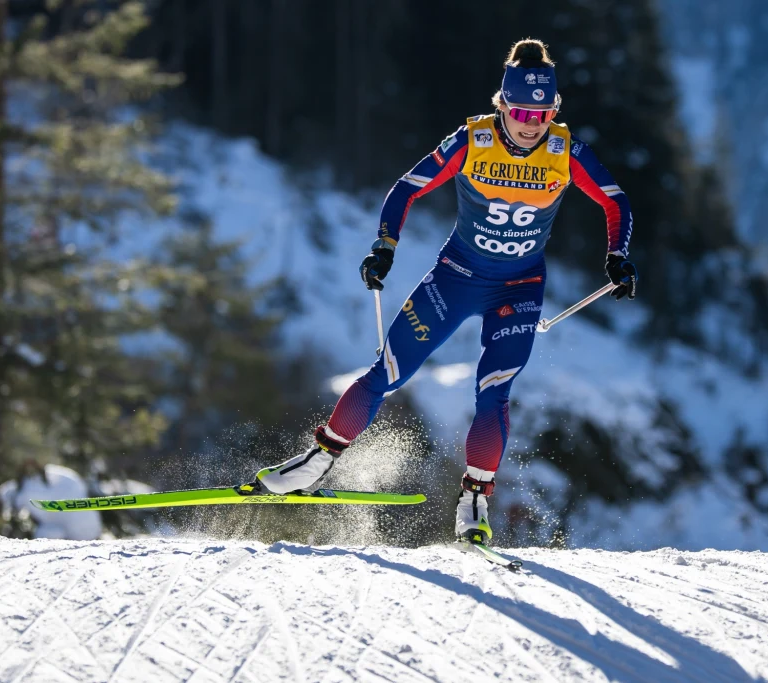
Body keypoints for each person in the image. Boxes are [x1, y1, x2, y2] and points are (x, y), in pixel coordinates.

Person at [252, 38, 637, 543]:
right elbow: (407, 187)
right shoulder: (472, 140)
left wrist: (617, 256)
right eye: (521, 109)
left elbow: (615, 202)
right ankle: (317, 462)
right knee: (388, 372)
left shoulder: (567, 152)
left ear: (554, 111)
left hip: (519, 287)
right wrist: (384, 246)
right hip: (455, 277)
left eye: (542, 112)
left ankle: (475, 500)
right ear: (503, 104)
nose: (531, 122)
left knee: (494, 391)